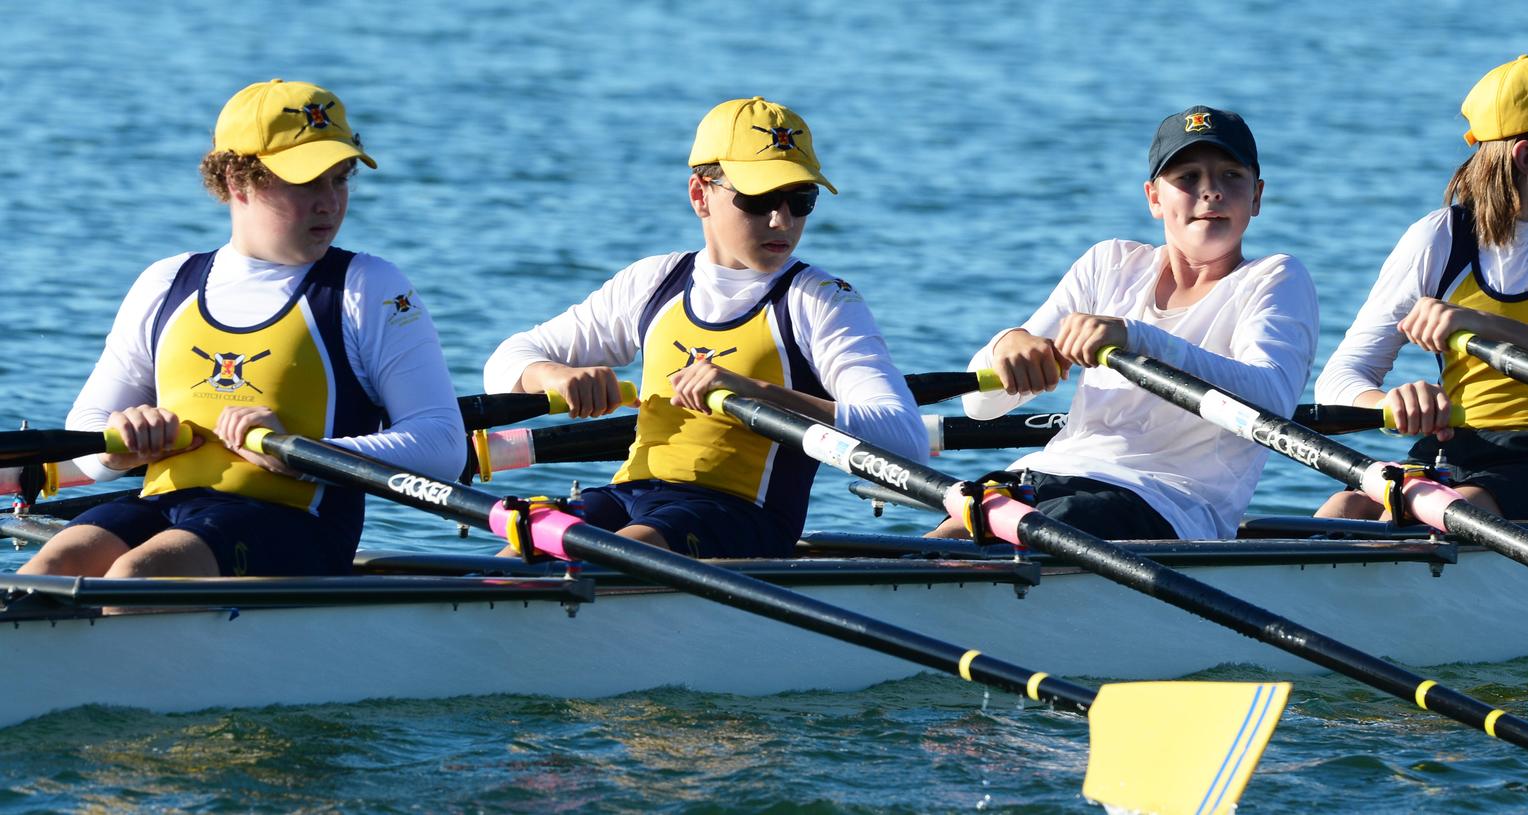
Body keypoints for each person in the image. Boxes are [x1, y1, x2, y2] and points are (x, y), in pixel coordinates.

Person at [20, 79, 464, 579]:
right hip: (166, 505)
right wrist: (125, 442)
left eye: (340, 178)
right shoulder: (166, 283)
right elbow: (87, 442)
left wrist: (304, 455)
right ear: (237, 180)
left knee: (136, 574)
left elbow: (443, 446)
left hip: (297, 523)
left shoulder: (368, 287)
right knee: (51, 566)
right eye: (306, 181)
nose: (330, 202)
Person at [483, 97, 926, 559]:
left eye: (801, 200)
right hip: (629, 495)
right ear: (700, 194)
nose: (783, 220)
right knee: (528, 543)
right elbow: (504, 365)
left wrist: (754, 391)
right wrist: (555, 377)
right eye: (758, 199)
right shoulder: (653, 282)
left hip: (740, 514)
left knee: (613, 553)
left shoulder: (820, 301)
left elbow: (904, 438)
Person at [926, 106, 1317, 542]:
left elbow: (1272, 403)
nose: (1211, 192)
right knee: (946, 536)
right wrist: (1007, 346)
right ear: (1154, 198)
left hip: (1167, 504)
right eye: (1188, 178)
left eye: (1230, 176)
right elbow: (981, 407)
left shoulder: (1276, 278)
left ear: (1257, 196)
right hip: (1043, 477)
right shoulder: (1108, 264)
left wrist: (1136, 338)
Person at [1314, 55, 1528, 521]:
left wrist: (1487, 325)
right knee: (1344, 508)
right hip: (1451, 453)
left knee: (1453, 512)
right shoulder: (1438, 238)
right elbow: (1337, 382)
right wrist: (1392, 403)